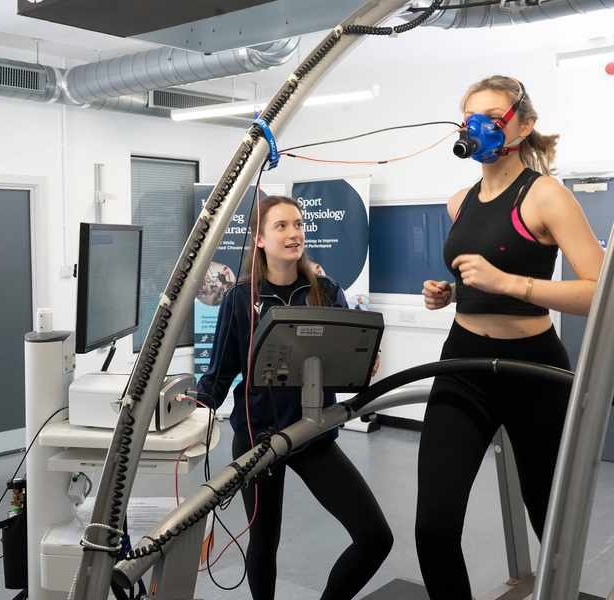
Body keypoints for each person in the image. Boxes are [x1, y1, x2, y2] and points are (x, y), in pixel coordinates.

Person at [418, 75, 604, 599]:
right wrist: (450, 294)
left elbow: (599, 292)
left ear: (521, 124)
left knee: (551, 520)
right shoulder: (459, 202)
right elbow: (476, 278)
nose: (477, 127)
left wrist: (511, 285)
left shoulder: (546, 196)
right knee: (433, 526)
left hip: (533, 368)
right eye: (469, 116)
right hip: (464, 362)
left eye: (492, 115)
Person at [197, 195, 392, 600]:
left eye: (298, 224)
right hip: (258, 439)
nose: (294, 233)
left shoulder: (325, 291)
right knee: (264, 544)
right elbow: (219, 373)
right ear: (261, 240)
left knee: (375, 536)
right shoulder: (239, 299)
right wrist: (189, 413)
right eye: (282, 226)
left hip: (312, 434)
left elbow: (352, 360)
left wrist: (365, 365)